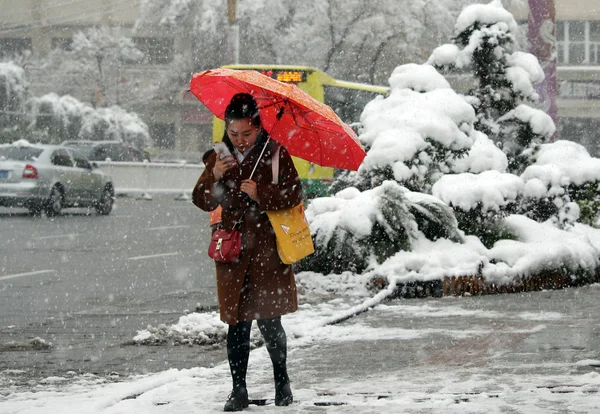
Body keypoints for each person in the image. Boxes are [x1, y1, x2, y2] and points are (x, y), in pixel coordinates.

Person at [192, 93, 302, 411]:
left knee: (270, 322)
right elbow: (202, 201)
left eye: (247, 134)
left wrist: (261, 192)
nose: (239, 140)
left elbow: (295, 193)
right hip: (234, 253)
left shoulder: (276, 153)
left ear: (258, 127)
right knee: (237, 325)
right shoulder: (219, 156)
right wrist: (213, 178)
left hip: (268, 252)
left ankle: (283, 382)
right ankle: (238, 390)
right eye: (234, 133)